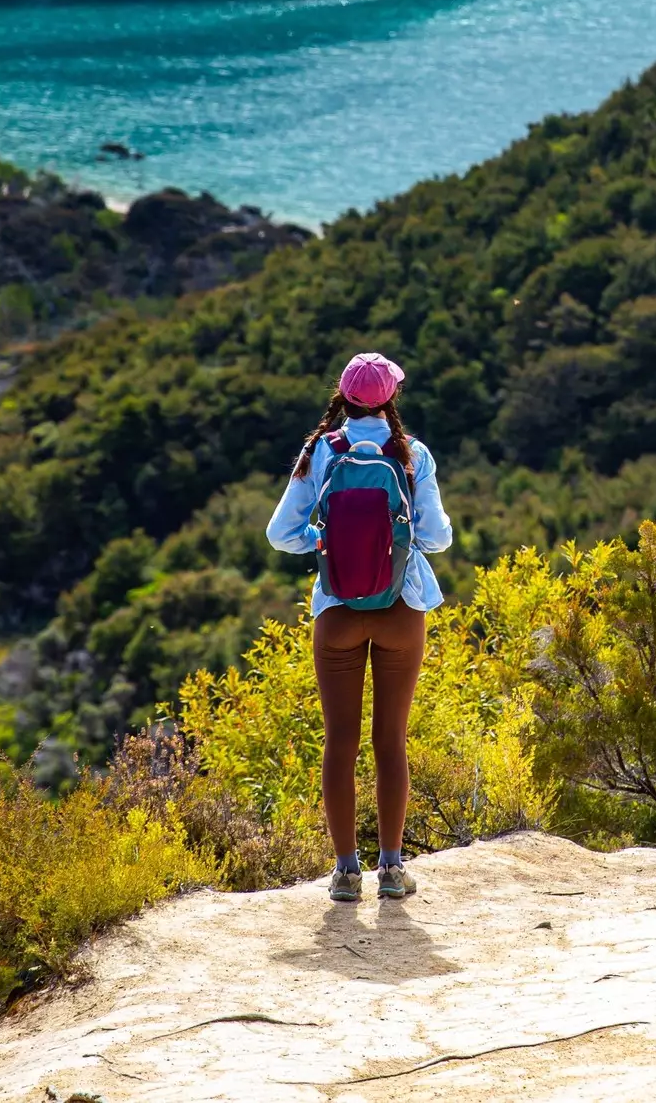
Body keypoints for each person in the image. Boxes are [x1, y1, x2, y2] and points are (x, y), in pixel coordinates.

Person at [266, 350, 452, 902]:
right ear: (392, 397)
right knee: (390, 740)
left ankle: (346, 873)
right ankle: (392, 870)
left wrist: (323, 543)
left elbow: (281, 533)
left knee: (339, 741)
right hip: (402, 606)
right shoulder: (412, 453)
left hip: (337, 610)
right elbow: (437, 537)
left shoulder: (320, 449)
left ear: (342, 396)